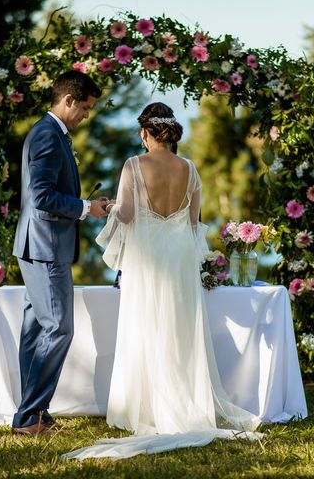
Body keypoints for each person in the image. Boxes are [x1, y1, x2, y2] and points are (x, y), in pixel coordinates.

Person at [62, 103, 262, 460]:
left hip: (148, 261)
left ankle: (149, 408)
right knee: (180, 330)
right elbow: (193, 223)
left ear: (145, 132)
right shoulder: (190, 168)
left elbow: (126, 214)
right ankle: (185, 400)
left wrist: (105, 208)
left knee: (146, 327)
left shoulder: (134, 165)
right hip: (179, 261)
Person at [11, 71, 108, 435]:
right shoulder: (49, 135)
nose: (85, 115)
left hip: (38, 244)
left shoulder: (50, 133)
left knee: (36, 331)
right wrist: (85, 207)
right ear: (68, 100)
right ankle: (28, 417)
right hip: (46, 246)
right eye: (84, 107)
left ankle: (36, 414)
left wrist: (87, 205)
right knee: (59, 328)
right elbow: (43, 197)